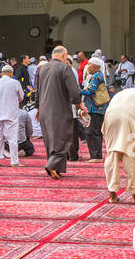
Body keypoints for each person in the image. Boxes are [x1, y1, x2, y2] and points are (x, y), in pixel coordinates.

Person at [38, 47, 82, 178]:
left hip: (44, 109)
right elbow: (74, 92)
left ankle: (56, 170)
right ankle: (51, 165)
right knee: (63, 139)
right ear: (64, 56)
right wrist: (78, 102)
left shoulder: (42, 68)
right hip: (60, 109)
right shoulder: (64, 68)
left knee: (50, 140)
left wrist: (38, 107)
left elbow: (38, 91)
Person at [102, 87, 135, 203]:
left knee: (112, 153)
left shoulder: (119, 95)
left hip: (110, 117)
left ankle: (112, 194)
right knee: (129, 156)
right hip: (128, 118)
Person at [0, 65, 25, 166]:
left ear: (2, 73)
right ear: (11, 74)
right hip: (11, 113)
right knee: (12, 138)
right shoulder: (15, 83)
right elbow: (21, 97)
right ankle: (14, 162)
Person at [80, 56, 109, 160]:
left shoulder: (96, 76)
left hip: (95, 108)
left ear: (95, 67)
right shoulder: (99, 75)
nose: (87, 68)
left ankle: (96, 156)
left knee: (92, 132)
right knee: (95, 132)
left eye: (89, 66)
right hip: (97, 108)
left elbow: (90, 91)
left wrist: (78, 91)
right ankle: (96, 155)